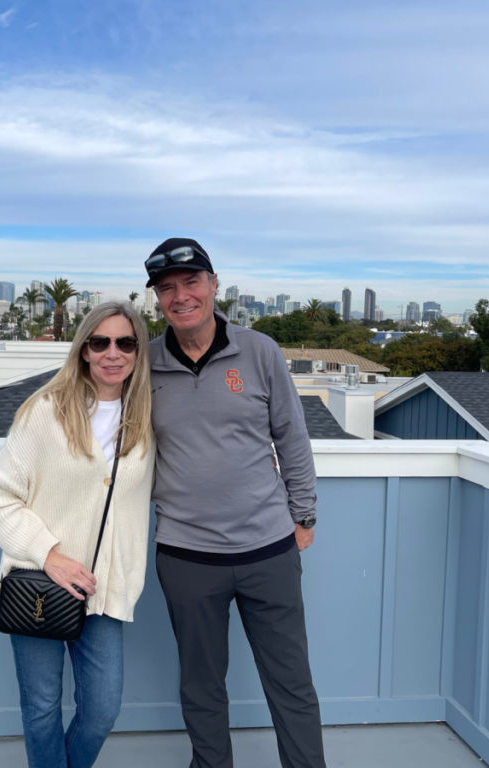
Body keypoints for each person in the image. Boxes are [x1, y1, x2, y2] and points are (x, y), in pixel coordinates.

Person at [144, 238, 327, 768]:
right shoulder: (143, 363)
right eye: (167, 288)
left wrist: (304, 515)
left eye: (191, 282)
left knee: (291, 683)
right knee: (201, 686)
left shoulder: (259, 350)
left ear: (214, 284)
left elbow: (292, 437)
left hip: (268, 550)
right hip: (186, 555)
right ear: (157, 298)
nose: (181, 296)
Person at [0, 300, 155, 768]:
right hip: (41, 585)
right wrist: (50, 555)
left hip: (103, 592)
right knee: (41, 708)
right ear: (83, 350)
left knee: (101, 710)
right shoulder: (46, 412)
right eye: (100, 342)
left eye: (125, 343)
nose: (112, 353)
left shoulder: (147, 420)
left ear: (139, 351)